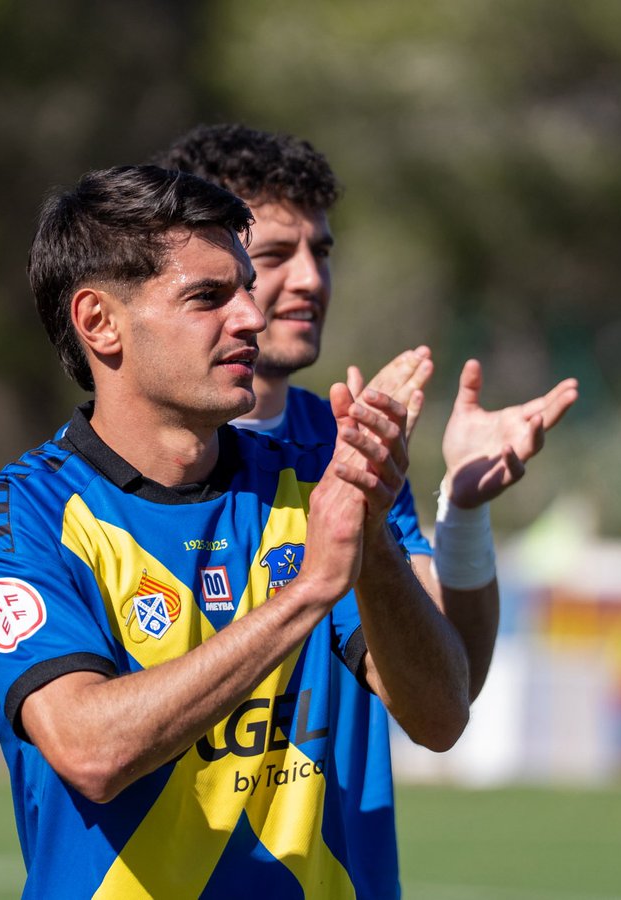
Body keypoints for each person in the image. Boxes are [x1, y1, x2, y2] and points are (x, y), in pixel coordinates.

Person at [0, 164, 473, 898]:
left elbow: (442, 719)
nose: (252, 318)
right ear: (99, 322)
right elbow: (90, 750)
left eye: (246, 290)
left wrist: (374, 534)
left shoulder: (309, 484)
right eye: (208, 297)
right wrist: (307, 593)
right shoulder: (15, 514)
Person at [157, 123, 579, 703]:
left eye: (321, 252)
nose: (310, 279)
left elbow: (446, 694)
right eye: (276, 254)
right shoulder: (115, 468)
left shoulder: (348, 441)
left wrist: (463, 510)